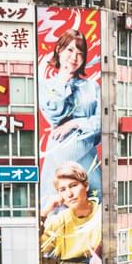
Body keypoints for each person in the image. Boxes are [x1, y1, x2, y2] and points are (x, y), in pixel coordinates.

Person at [39, 26, 102, 213]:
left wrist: (73, 124)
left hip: (87, 156)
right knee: (55, 208)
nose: (74, 57)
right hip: (59, 155)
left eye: (80, 53)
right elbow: (53, 114)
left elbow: (100, 122)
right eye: (70, 50)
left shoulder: (92, 86)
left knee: (93, 205)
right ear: (59, 50)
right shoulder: (47, 85)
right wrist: (63, 81)